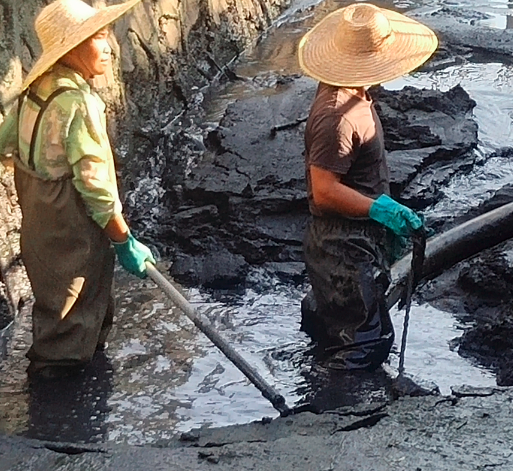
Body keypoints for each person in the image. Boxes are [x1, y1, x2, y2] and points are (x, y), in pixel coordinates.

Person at [0, 0, 155, 380]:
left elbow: (5, 145)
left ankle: (68, 374)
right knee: (75, 307)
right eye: (98, 39)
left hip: (40, 227)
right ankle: (57, 415)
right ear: (71, 50)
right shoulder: (79, 104)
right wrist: (123, 240)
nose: (108, 47)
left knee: (55, 300)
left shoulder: (34, 91)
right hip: (73, 228)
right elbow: (95, 186)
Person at [298, 3, 438, 370]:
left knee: (345, 326)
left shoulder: (354, 94)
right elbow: (325, 190)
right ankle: (334, 416)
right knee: (368, 343)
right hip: (342, 246)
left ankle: (321, 367)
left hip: (357, 239)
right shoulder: (336, 116)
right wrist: (381, 209)